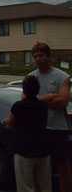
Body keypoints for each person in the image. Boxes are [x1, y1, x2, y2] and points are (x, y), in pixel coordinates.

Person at [30, 41, 71, 192]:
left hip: (58, 129)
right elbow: (25, 101)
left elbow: (63, 101)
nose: (38, 58)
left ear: (48, 57)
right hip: (39, 129)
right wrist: (49, 97)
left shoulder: (63, 77)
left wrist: (37, 101)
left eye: (41, 55)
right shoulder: (31, 78)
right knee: (38, 166)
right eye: (35, 56)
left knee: (63, 165)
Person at [5, 75, 50, 192]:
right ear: (38, 89)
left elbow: (11, 125)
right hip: (42, 149)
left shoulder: (18, 106)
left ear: (23, 89)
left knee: (25, 185)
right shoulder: (43, 105)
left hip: (23, 149)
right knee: (45, 185)